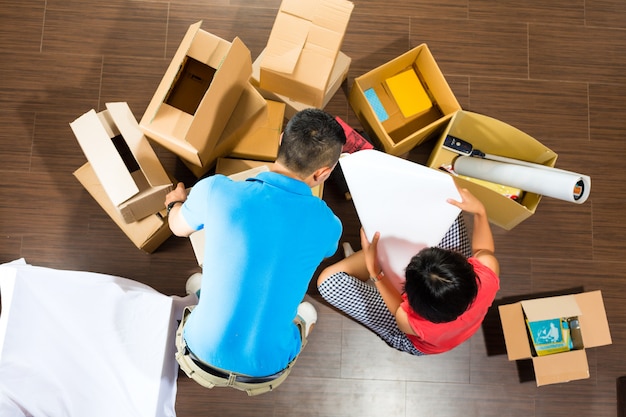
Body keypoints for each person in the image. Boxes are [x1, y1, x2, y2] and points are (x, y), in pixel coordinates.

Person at [165, 108, 346, 395]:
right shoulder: (329, 224)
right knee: (304, 314)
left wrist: (174, 203)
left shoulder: (214, 190)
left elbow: (178, 227)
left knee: (210, 285)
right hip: (266, 373)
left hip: (196, 355)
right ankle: (303, 323)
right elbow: (326, 250)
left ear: (282, 139)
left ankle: (202, 296)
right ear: (323, 173)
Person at [317, 186, 500, 355]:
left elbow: (398, 309)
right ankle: (371, 262)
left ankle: (369, 267)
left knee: (327, 283)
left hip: (412, 337)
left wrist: (376, 272)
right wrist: (479, 211)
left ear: (409, 297)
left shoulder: (408, 320)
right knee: (448, 204)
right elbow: (485, 251)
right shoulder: (487, 271)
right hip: (449, 322)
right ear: (466, 266)